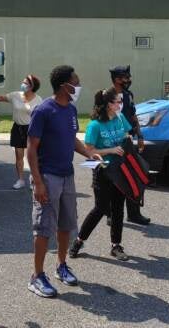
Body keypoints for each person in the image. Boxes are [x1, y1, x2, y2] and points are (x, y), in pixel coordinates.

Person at [27, 65, 103, 298]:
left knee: (66, 225)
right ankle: (37, 276)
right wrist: (38, 182)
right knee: (44, 228)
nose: (78, 86)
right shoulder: (43, 111)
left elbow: (72, 141)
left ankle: (61, 265)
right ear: (64, 86)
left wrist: (89, 153)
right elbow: (31, 149)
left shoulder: (70, 109)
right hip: (47, 177)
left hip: (66, 175)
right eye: (75, 82)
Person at [70, 88, 133, 261]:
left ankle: (116, 245)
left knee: (119, 208)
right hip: (102, 169)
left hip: (120, 170)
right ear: (107, 105)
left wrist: (128, 143)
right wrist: (111, 149)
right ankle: (79, 240)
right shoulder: (94, 125)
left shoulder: (120, 118)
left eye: (121, 101)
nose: (120, 104)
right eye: (117, 102)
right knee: (101, 208)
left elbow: (127, 135)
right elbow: (89, 151)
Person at [108, 65, 151, 226]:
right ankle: (112, 213)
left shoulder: (128, 95)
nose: (128, 80)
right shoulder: (107, 95)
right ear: (117, 79)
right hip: (113, 143)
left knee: (135, 174)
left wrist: (140, 135)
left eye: (129, 77)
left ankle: (134, 213)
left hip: (128, 142)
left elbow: (133, 116)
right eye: (125, 77)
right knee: (116, 178)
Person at [0, 75, 43, 189]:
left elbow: (41, 116)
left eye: (25, 83)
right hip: (17, 128)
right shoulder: (16, 95)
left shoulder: (38, 100)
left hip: (31, 129)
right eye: (23, 82)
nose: (23, 84)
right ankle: (20, 180)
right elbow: (0, 98)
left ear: (32, 86)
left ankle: (34, 179)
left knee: (33, 156)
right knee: (19, 156)